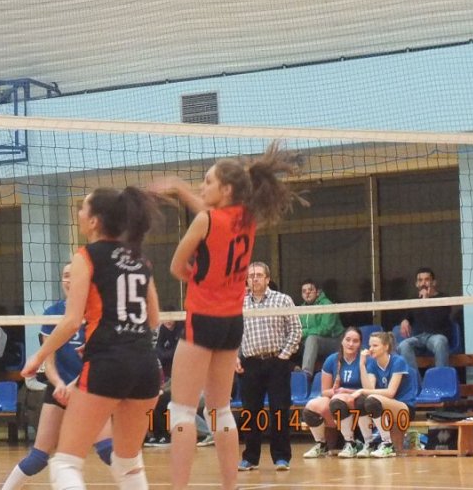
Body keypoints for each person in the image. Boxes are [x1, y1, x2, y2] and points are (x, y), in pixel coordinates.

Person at [152, 142, 303, 490]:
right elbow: (210, 213)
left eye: (208, 181)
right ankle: (230, 485)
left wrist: (200, 280)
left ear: (227, 189)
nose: (202, 187)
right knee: (220, 410)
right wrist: (182, 190)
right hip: (233, 323)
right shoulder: (247, 220)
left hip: (203, 318)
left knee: (181, 410)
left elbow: (176, 266)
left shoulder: (204, 221)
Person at [21, 186, 162, 490]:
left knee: (65, 463)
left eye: (83, 208)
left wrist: (39, 355)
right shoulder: (139, 258)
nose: (79, 214)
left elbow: (72, 321)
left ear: (95, 221)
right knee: (128, 464)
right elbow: (153, 319)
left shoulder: (85, 256)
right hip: (146, 367)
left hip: (108, 364)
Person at [0, 264, 113, 490]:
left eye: (74, 275)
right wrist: (59, 383)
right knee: (38, 457)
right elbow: (48, 359)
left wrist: (74, 384)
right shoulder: (53, 313)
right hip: (60, 389)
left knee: (107, 450)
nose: (69, 280)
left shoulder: (96, 312)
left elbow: (98, 359)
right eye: (65, 276)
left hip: (90, 386)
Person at [235, 262, 302, 471]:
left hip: (276, 362)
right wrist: (235, 357)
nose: (254, 278)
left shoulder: (282, 300)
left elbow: (296, 329)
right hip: (250, 363)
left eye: (258, 275)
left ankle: (281, 457)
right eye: (251, 275)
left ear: (267, 278)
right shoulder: (239, 302)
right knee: (250, 411)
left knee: (279, 410)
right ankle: (250, 457)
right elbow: (233, 333)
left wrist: (283, 356)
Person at [300, 327, 375, 459]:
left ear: (360, 344)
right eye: (348, 340)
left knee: (340, 401)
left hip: (358, 399)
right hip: (337, 399)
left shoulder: (366, 360)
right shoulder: (332, 360)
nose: (351, 344)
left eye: (355, 341)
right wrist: (336, 390)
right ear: (342, 341)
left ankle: (351, 443)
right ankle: (321, 444)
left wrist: (346, 391)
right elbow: (325, 391)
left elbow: (370, 390)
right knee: (311, 406)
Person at [344, 331, 418, 458]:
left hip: (404, 407)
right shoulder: (372, 363)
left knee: (371, 399)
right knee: (362, 400)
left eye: (375, 346)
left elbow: (390, 392)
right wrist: (362, 365)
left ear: (386, 347)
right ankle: (369, 443)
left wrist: (361, 391)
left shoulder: (398, 361)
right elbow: (369, 389)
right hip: (386, 407)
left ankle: (387, 444)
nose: (371, 349)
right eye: (370, 345)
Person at [145, 314, 213, 448]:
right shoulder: (163, 332)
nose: (167, 321)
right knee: (158, 397)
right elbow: (160, 353)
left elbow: (172, 354)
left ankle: (207, 432)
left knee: (176, 403)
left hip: (200, 386)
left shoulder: (189, 335)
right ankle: (160, 436)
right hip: (177, 381)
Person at [397, 268, 453, 369]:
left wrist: (426, 300)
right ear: (416, 284)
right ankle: (414, 378)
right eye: (420, 280)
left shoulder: (443, 298)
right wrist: (404, 320)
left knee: (440, 342)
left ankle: (440, 376)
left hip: (436, 335)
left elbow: (436, 321)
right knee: (403, 345)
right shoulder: (413, 299)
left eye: (427, 279)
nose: (423, 283)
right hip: (418, 337)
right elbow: (407, 315)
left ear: (434, 282)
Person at [297, 280, 344, 378]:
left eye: (310, 290)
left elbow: (325, 329)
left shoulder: (327, 305)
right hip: (310, 341)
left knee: (312, 339)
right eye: (304, 291)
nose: (307, 293)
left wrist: (303, 333)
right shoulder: (301, 308)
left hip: (334, 341)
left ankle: (306, 375)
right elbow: (298, 329)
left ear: (318, 292)